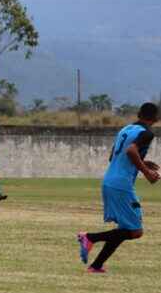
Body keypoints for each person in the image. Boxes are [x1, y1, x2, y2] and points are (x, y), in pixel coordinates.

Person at [77, 102, 160, 273]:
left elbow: (113, 156)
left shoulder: (126, 129)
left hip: (110, 180)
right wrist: (146, 172)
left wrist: (143, 162)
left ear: (138, 113)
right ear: (156, 118)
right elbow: (131, 151)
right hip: (121, 185)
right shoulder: (147, 133)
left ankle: (96, 266)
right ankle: (89, 237)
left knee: (124, 229)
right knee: (136, 231)